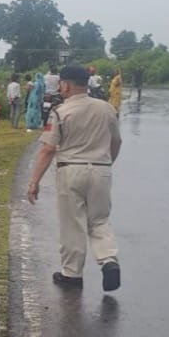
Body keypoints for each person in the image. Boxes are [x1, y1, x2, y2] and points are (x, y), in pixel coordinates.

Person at [26, 64, 122, 292]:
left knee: (73, 223)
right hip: (101, 169)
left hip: (71, 170)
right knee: (99, 220)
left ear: (66, 85)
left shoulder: (60, 112)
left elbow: (48, 149)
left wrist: (34, 181)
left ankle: (72, 273)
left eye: (61, 83)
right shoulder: (107, 108)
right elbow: (117, 141)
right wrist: (106, 163)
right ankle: (109, 260)